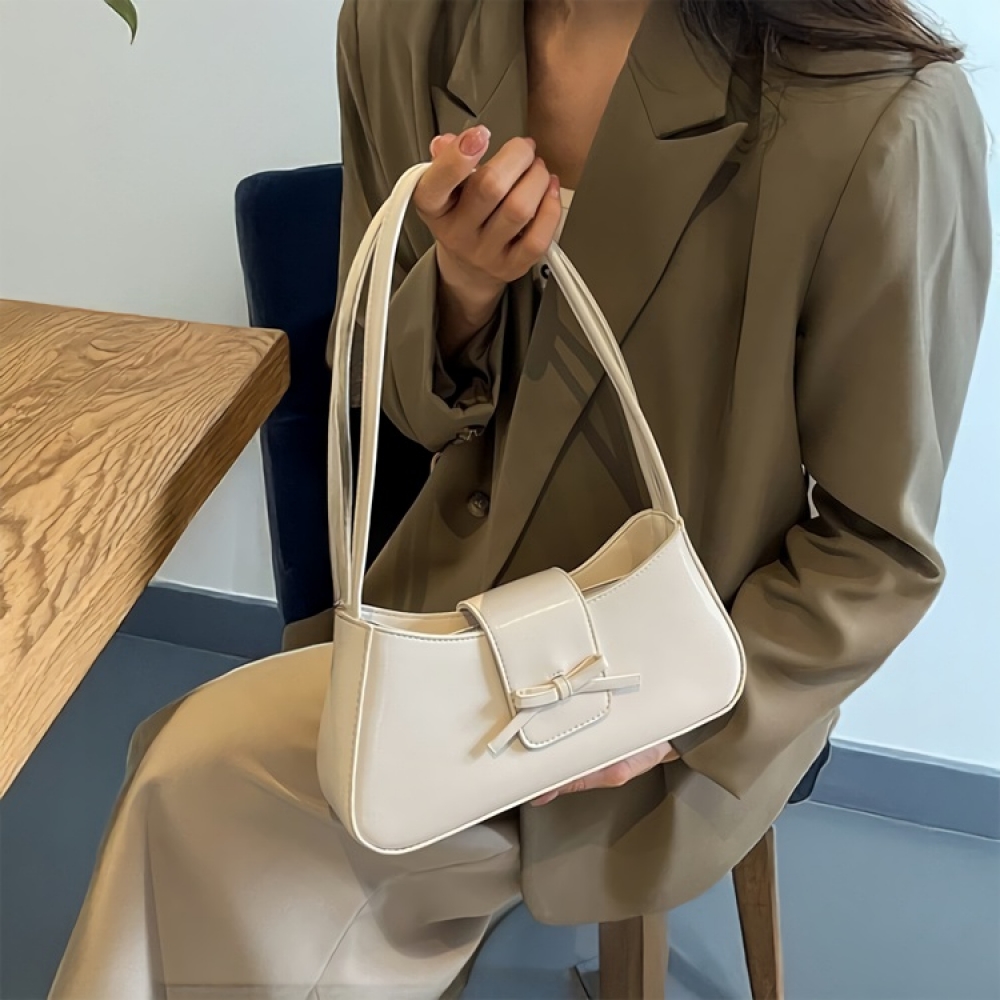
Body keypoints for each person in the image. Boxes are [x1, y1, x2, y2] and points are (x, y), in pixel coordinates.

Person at [51, 0, 991, 996]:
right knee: (201, 791)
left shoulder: (880, 114)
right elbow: (391, 402)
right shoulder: (400, 28)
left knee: (205, 795)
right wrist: (461, 286)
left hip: (683, 669)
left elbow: (874, 549)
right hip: (441, 613)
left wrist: (677, 707)